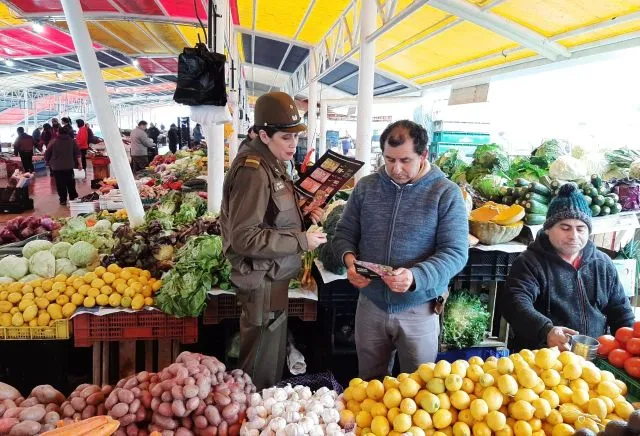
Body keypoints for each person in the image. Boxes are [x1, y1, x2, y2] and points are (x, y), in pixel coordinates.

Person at [332, 120, 469, 380]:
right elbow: (344, 233)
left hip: (420, 307)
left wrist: (416, 276)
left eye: (405, 160)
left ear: (424, 155)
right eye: (389, 159)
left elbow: (455, 252)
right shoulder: (366, 187)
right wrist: (350, 262)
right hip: (370, 304)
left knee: (419, 390)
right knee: (369, 385)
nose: (396, 168)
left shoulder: (446, 193)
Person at [220, 91, 327, 390]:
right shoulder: (253, 171)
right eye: (286, 137)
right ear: (264, 135)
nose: (294, 144)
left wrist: (304, 218)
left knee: (270, 355)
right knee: (260, 366)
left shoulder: (271, 162)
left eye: (296, 137)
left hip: (273, 276)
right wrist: (300, 241)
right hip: (262, 279)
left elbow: (270, 218)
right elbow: (244, 236)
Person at [502, 183, 634, 352]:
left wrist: (631, 345)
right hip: (542, 358)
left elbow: (621, 310)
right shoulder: (530, 262)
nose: (574, 236)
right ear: (548, 229)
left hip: (593, 359)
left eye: (581, 229)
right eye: (565, 228)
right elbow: (514, 303)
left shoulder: (602, 264)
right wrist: (545, 330)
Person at [45, 125, 81, 205]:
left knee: (60, 183)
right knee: (70, 182)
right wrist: (80, 164)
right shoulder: (72, 141)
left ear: (58, 132)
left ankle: (63, 199)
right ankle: (73, 197)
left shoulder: (53, 141)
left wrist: (47, 162)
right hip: (69, 166)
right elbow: (77, 154)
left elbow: (47, 153)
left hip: (57, 167)